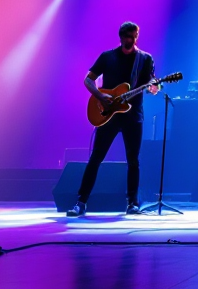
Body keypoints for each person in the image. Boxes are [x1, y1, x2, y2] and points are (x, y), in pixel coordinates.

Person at [66, 22, 160, 217]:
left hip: (133, 116)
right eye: (127, 36)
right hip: (108, 114)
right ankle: (81, 202)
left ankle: (132, 203)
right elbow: (88, 79)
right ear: (120, 36)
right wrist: (100, 96)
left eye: (134, 36)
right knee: (96, 158)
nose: (130, 40)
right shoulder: (108, 57)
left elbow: (151, 83)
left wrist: (154, 87)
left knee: (133, 161)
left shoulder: (144, 59)